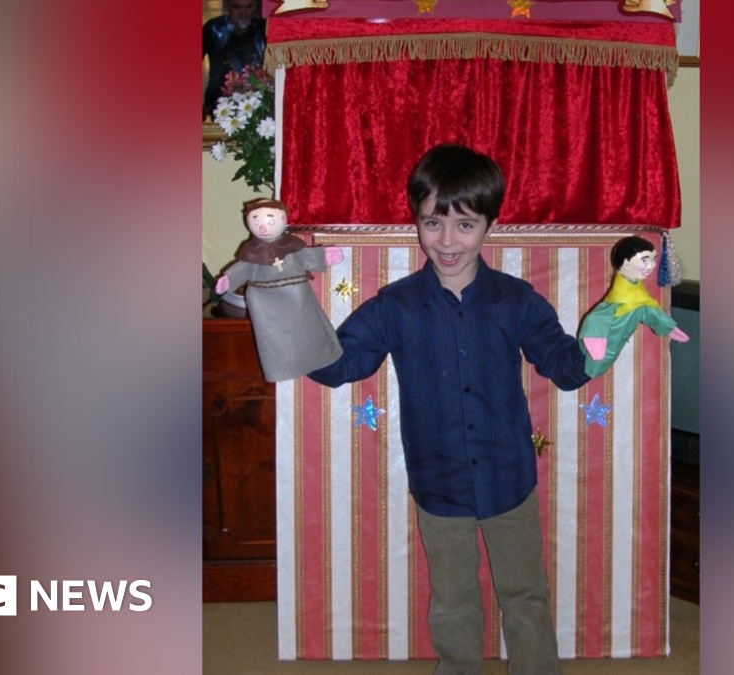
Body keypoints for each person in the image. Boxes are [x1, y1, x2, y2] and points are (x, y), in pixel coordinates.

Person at [308, 144, 588, 675]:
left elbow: (566, 367)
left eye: (465, 225)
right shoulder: (396, 305)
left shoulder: (516, 299)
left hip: (509, 477)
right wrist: (283, 309)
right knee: (453, 598)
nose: (447, 240)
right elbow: (339, 365)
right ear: (416, 222)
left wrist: (605, 335)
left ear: (490, 225)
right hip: (438, 482)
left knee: (525, 592)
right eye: (432, 223)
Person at [214, 199, 343, 382]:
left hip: (297, 298)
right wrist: (228, 280)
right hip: (265, 304)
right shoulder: (251, 252)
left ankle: (320, 358)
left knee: (308, 331)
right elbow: (242, 269)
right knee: (274, 341)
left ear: (283, 219)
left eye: (270, 220)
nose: (263, 227)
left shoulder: (292, 245)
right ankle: (282, 370)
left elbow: (307, 256)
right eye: (256, 222)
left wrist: (324, 256)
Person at [577, 235, 689, 378]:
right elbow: (595, 318)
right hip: (589, 359)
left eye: (653, 259)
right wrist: (595, 342)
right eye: (644, 260)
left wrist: (669, 327)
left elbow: (649, 312)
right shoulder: (621, 297)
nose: (652, 266)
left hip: (606, 357)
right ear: (626, 263)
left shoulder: (638, 295)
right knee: (582, 373)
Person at [202, 0, 267, 121]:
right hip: (218, 105)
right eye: (237, 7)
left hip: (258, 104)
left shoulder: (264, 29)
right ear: (227, 7)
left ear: (255, 6)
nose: (243, 13)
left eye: (248, 7)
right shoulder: (213, 28)